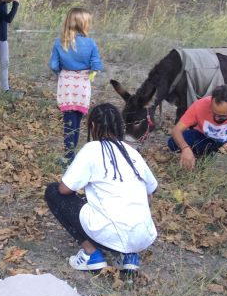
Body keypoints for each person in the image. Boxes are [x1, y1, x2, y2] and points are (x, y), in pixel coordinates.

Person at [44, 103, 158, 272]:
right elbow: (152, 189)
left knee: (53, 192)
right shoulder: (132, 152)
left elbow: (64, 189)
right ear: (120, 127)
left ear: (92, 126)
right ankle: (129, 256)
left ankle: (92, 254)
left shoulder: (92, 149)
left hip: (111, 233)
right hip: (142, 237)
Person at [49, 7, 103, 163]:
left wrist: (63, 72)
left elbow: (54, 65)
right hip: (82, 85)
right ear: (84, 24)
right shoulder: (91, 43)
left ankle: (69, 155)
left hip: (66, 83)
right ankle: (72, 154)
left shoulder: (60, 42)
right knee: (77, 121)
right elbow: (96, 65)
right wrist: (91, 74)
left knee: (69, 120)